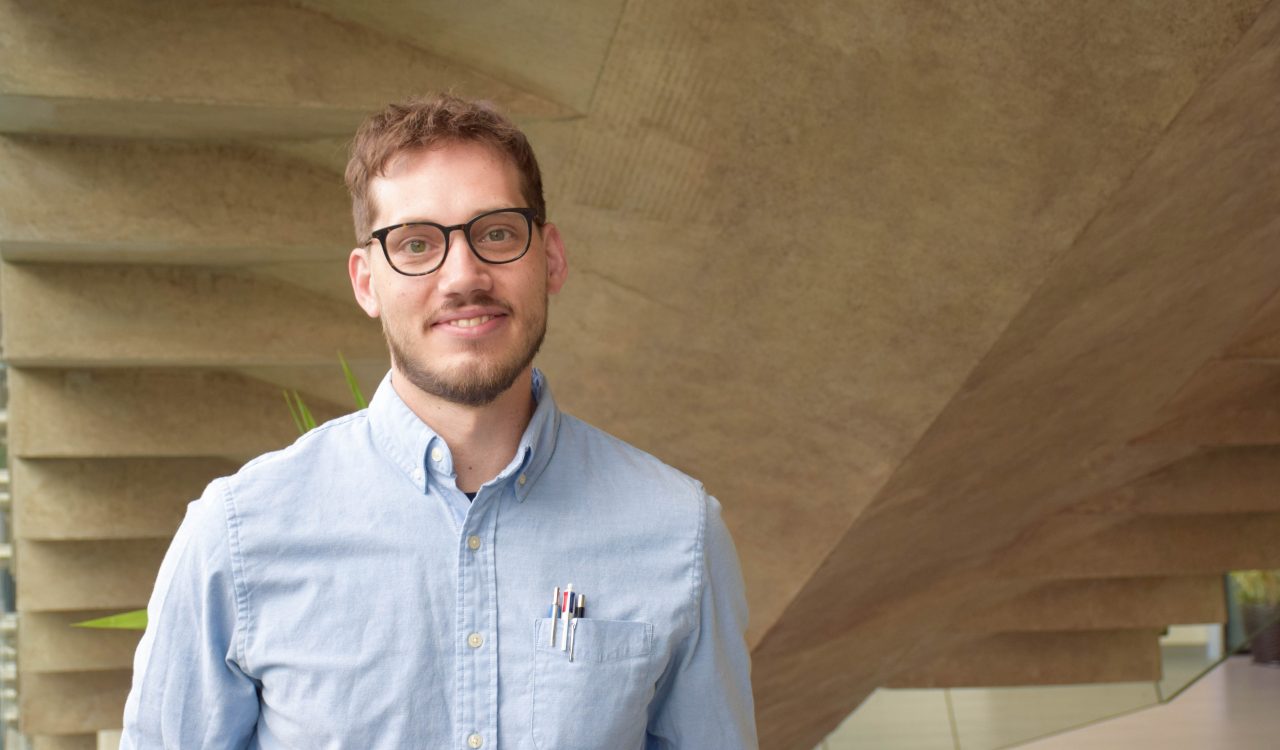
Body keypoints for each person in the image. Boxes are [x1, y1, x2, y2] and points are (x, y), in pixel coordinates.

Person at [120, 94, 758, 749]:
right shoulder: (238, 538)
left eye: (498, 232)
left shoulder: (679, 532)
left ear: (552, 257)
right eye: (417, 243)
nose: (463, 275)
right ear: (366, 281)